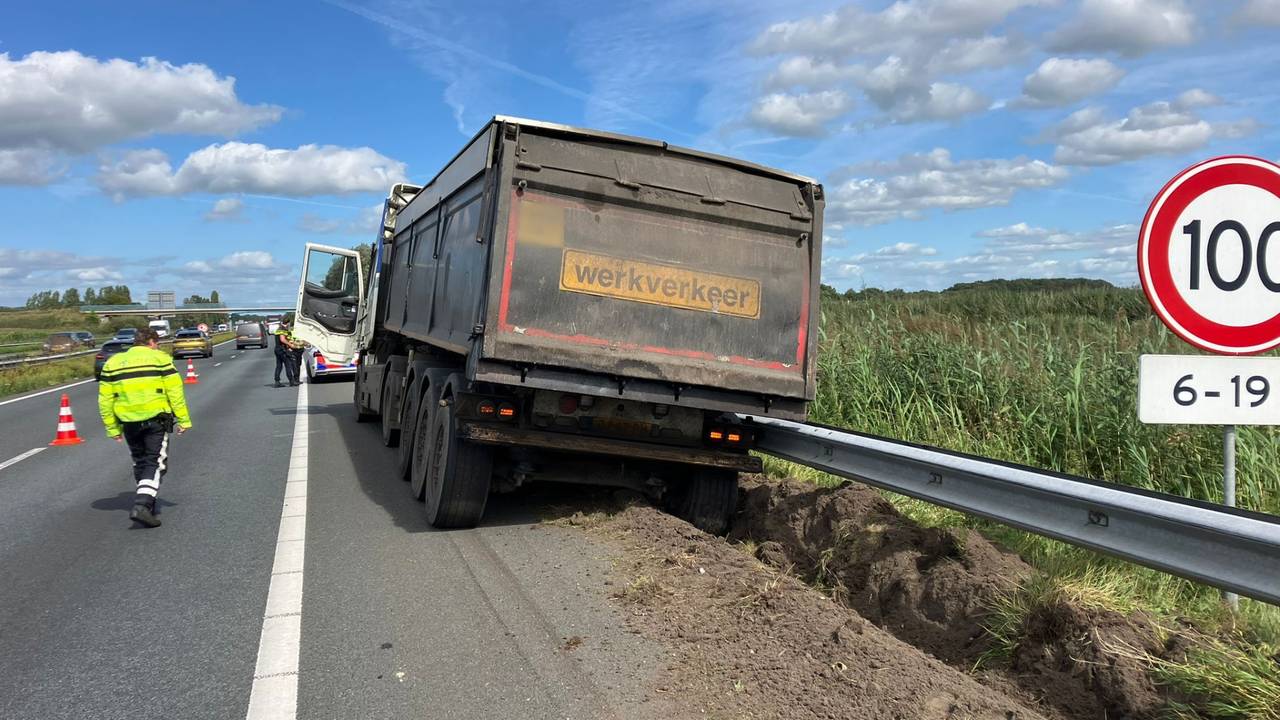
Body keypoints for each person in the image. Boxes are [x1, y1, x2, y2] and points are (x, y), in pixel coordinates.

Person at [98, 326, 192, 528]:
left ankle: (147, 503)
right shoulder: (160, 359)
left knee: (140, 461)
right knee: (155, 462)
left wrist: (112, 428)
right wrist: (183, 420)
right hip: (155, 417)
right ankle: (142, 504)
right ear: (151, 342)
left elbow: (105, 399)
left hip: (128, 420)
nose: (157, 347)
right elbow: (175, 392)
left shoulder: (113, 363)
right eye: (156, 344)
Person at [273, 319, 300, 387]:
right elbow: (282, 339)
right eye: (289, 324)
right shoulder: (283, 329)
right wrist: (290, 345)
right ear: (287, 323)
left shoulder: (278, 329)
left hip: (277, 349)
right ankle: (291, 381)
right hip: (282, 350)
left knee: (279, 365)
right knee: (288, 365)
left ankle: (277, 381)